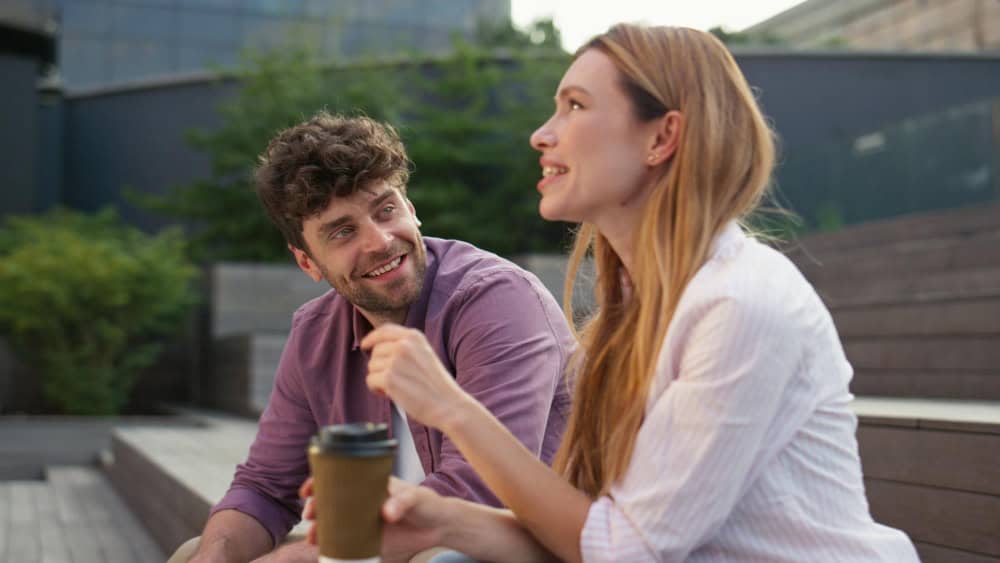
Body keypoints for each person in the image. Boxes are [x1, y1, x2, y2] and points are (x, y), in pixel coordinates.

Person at [331, 24, 920, 562]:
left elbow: (621, 553)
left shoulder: (741, 304)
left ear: (662, 137)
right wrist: (441, 520)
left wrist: (451, 408)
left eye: (576, 107)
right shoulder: (634, 314)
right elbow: (589, 536)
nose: (542, 135)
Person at [179, 113, 574, 563]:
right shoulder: (315, 333)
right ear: (307, 263)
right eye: (343, 232)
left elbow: (474, 498)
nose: (380, 241)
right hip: (403, 539)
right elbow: (266, 487)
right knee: (200, 550)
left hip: (531, 546)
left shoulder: (497, 300)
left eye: (386, 209)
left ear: (411, 208)